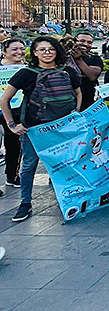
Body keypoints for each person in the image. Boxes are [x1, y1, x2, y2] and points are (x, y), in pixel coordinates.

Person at [1, 37, 82, 223]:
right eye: (42, 49)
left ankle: (68, 199)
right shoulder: (26, 73)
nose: (47, 53)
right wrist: (12, 125)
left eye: (51, 49)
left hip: (62, 128)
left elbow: (78, 93)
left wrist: (75, 115)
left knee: (66, 164)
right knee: (29, 166)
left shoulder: (67, 71)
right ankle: (25, 203)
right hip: (34, 129)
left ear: (57, 51)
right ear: (35, 53)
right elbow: (4, 100)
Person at [0, 38, 26, 188]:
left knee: (14, 145)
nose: (19, 52)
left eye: (22, 49)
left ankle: (12, 176)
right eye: (14, 49)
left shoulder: (27, 69)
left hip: (16, 111)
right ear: (4, 52)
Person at [70, 31, 104, 111]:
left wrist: (78, 60)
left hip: (87, 104)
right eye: (82, 41)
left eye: (89, 42)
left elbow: (92, 76)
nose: (85, 44)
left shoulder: (95, 59)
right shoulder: (64, 57)